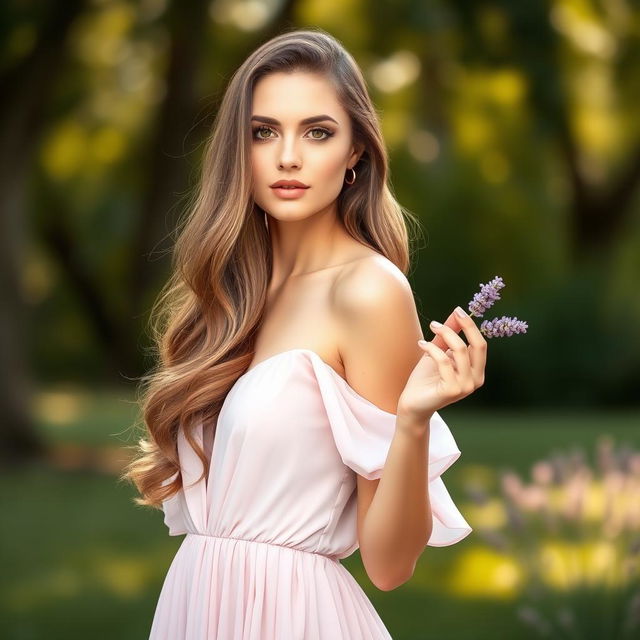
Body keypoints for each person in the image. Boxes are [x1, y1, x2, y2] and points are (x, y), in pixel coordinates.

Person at [122, 27, 486, 639]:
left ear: (355, 153)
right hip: (197, 607)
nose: (288, 157)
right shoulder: (232, 292)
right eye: (264, 132)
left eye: (317, 132)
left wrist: (415, 419)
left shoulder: (366, 291)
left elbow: (390, 564)